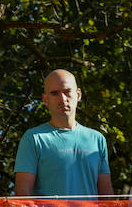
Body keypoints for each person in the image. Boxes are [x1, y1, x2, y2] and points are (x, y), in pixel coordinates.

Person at [14, 70, 113, 198]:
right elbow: (22, 195)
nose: (62, 99)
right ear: (45, 99)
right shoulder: (33, 138)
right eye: (54, 93)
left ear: (78, 95)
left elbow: (107, 196)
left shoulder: (97, 139)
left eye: (67, 92)